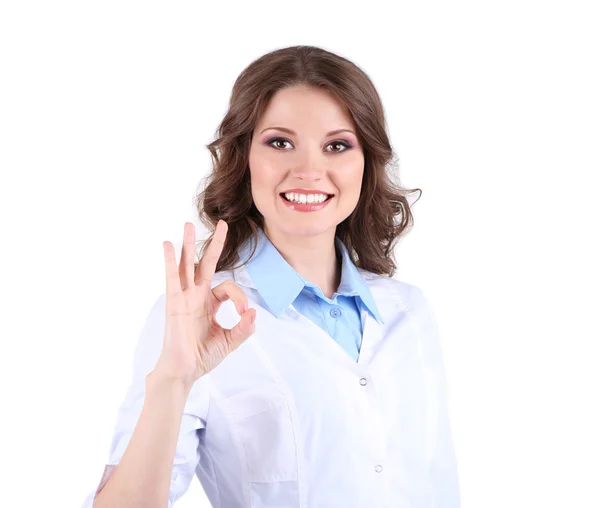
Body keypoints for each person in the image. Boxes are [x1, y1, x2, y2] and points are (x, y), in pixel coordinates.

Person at [82, 45, 460, 508]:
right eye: (280, 142)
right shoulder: (200, 318)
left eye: (337, 145)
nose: (308, 171)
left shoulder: (409, 311)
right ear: (244, 158)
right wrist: (174, 379)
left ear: (366, 163)